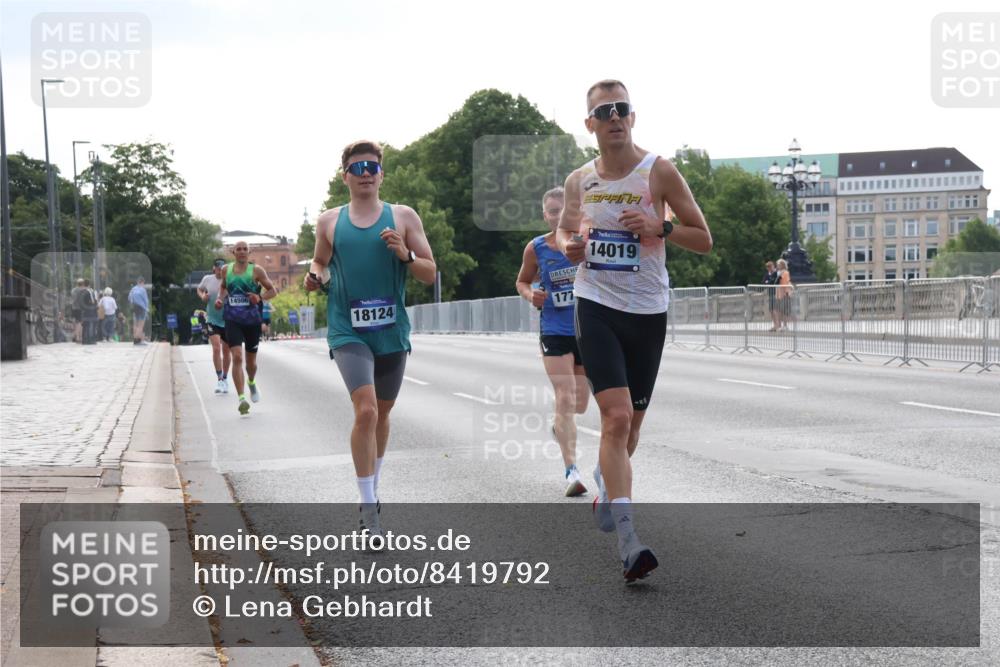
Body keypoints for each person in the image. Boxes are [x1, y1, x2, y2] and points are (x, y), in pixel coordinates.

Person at [556, 80, 713, 582]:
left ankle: (607, 481)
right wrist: (570, 246)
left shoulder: (658, 171)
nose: (615, 118)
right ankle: (629, 543)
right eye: (604, 111)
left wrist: (659, 228)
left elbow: (703, 238)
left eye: (621, 109)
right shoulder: (580, 180)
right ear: (590, 124)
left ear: (632, 117)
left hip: (647, 310)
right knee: (617, 416)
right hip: (595, 303)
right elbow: (565, 230)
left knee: (632, 427)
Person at [304, 140, 436, 537]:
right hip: (347, 329)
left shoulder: (403, 216)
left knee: (382, 412)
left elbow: (429, 272)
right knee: (366, 411)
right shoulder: (330, 221)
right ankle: (367, 508)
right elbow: (319, 261)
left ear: (381, 174)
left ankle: (372, 486)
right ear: (344, 176)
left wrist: (405, 255)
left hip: (391, 330)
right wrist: (315, 276)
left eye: (372, 167)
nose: (365, 174)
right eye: (358, 168)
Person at [515, 186, 591, 497]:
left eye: (564, 210)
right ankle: (572, 470)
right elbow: (522, 280)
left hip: (587, 329)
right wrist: (530, 294)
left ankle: (559, 426)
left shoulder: (586, 241)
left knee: (580, 404)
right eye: (552, 211)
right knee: (565, 395)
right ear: (545, 215)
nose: (558, 216)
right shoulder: (536, 248)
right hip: (555, 330)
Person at [215, 241, 277, 415]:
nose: (242, 251)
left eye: (245, 249)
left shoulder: (256, 271)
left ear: (249, 252)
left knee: (251, 364)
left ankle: (251, 381)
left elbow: (272, 291)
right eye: (239, 249)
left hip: (252, 321)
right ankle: (242, 398)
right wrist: (220, 299)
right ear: (233, 252)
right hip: (232, 319)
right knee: (236, 356)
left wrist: (259, 297)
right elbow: (223, 287)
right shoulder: (226, 270)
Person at [198, 259, 232, 394]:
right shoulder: (207, 279)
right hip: (212, 319)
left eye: (222, 268)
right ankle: (219, 379)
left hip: (228, 319)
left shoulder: (230, 280)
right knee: (216, 348)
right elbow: (199, 289)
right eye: (218, 268)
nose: (220, 270)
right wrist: (203, 296)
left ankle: (225, 378)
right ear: (214, 269)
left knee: (226, 351)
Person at [128, 277, 150, 345]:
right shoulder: (143, 290)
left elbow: (129, 298)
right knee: (140, 325)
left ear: (137, 282)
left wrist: (133, 303)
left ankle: (137, 340)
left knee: (136, 325)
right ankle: (137, 340)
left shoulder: (133, 289)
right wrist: (147, 309)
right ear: (142, 282)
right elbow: (146, 300)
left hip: (135, 308)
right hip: (142, 308)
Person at [775, 258, 794, 330]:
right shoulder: (777, 272)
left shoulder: (786, 272)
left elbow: (787, 282)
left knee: (784, 310)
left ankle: (785, 325)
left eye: (779, 264)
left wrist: (788, 291)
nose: (778, 266)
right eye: (777, 264)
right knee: (778, 310)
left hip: (784, 292)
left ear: (783, 265)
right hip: (778, 292)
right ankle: (779, 325)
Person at [763, 260, 780, 332]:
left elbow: (774, 282)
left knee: (775, 309)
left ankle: (777, 325)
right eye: (768, 267)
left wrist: (768, 281)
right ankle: (775, 325)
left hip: (776, 293)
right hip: (770, 293)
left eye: (770, 267)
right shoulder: (767, 274)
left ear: (773, 266)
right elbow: (763, 282)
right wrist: (768, 282)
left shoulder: (776, 273)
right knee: (771, 310)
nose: (769, 268)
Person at [70, 278, 87, 343]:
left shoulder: (73, 290)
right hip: (80, 308)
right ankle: (77, 337)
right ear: (82, 283)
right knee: (80, 323)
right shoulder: (83, 290)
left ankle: (76, 336)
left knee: (75, 322)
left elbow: (72, 298)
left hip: (73, 307)